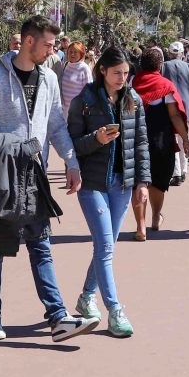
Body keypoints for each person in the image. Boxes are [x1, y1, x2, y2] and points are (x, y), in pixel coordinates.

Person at [0, 15, 96, 343]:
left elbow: (56, 124)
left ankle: (58, 318)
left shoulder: (49, 79)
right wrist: (9, 148)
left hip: (36, 175)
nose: (54, 50)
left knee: (41, 245)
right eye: (48, 44)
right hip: (5, 174)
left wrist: (71, 162)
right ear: (29, 41)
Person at [65, 46, 149, 339]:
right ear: (102, 70)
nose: (122, 78)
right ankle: (114, 309)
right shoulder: (84, 101)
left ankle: (86, 297)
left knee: (106, 247)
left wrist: (142, 182)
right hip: (92, 184)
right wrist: (97, 138)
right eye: (117, 73)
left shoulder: (133, 100)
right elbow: (71, 145)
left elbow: (141, 144)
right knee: (106, 248)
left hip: (122, 184)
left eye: (126, 73)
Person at [130, 48, 189, 237]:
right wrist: (185, 139)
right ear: (160, 65)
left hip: (135, 140)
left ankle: (140, 226)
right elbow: (174, 115)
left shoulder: (131, 82)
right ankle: (156, 217)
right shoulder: (165, 85)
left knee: (138, 183)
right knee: (158, 182)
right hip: (161, 141)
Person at [161, 41, 189, 186]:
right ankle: (183, 170)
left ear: (170, 53)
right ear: (181, 54)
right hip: (186, 108)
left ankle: (177, 172)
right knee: (184, 137)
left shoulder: (164, 66)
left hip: (169, 108)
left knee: (174, 139)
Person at [58, 41, 92, 116]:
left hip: (78, 111)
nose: (72, 54)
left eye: (75, 52)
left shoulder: (84, 68)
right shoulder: (66, 65)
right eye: (70, 52)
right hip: (64, 109)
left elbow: (89, 91)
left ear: (81, 54)